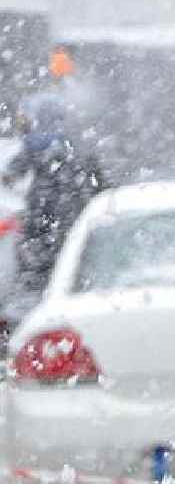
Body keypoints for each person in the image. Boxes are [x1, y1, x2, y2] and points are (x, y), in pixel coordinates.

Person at [1, 92, 108, 328]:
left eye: (27, 120)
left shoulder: (42, 150)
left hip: (46, 231)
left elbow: (12, 173)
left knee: (36, 282)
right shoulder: (73, 149)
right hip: (68, 229)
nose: (24, 126)